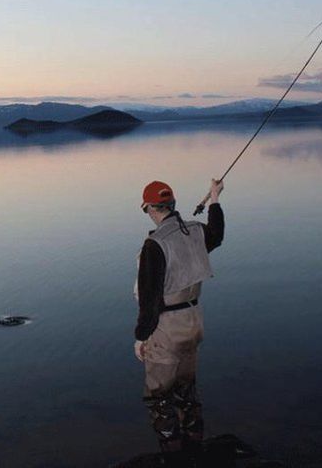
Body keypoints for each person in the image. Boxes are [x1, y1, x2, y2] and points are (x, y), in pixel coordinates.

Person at [133, 179, 224, 458]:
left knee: (159, 397)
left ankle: (174, 458)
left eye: (146, 207)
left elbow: (149, 300)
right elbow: (217, 235)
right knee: (186, 391)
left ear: (149, 207)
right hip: (194, 321)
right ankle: (195, 450)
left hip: (167, 329)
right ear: (171, 205)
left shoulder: (154, 244)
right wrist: (215, 200)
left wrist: (141, 337)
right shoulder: (196, 231)